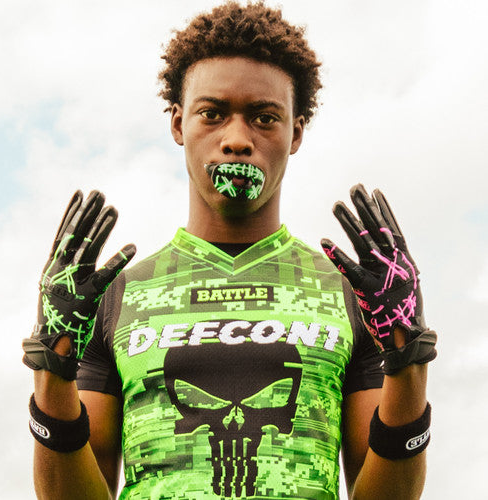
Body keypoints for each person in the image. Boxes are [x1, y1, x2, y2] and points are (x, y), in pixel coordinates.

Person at [22, 2, 437, 499]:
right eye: (212, 114)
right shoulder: (112, 298)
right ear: (179, 124)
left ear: (295, 132)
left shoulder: (354, 296)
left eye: (264, 117)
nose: (237, 139)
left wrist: (408, 358)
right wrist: (52, 365)